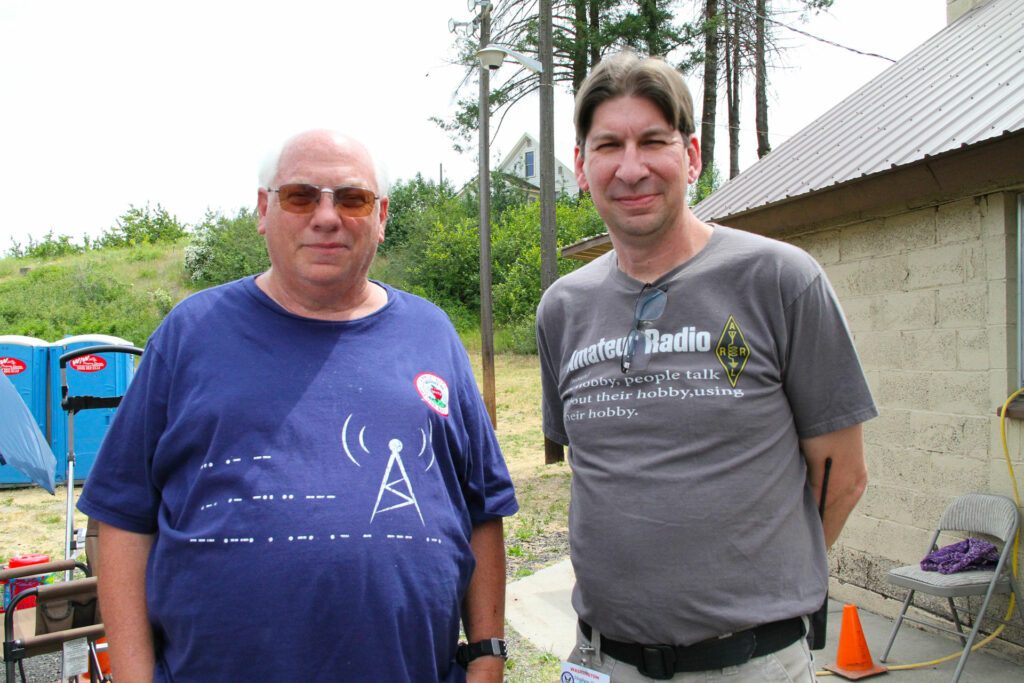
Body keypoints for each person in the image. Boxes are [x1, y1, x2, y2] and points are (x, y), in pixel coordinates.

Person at [77, 129, 518, 682]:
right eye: (301, 196)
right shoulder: (189, 334)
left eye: (352, 199)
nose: (327, 217)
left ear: (381, 216)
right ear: (264, 210)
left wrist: (485, 659)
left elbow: (482, 509)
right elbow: (122, 519)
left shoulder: (431, 332)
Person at [536, 53, 877, 681]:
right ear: (582, 168)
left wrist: (752, 592)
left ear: (691, 156)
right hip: (604, 659)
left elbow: (843, 477)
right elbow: (596, 472)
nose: (631, 167)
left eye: (654, 142)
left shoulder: (780, 279)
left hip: (749, 663)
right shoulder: (563, 308)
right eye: (608, 145)